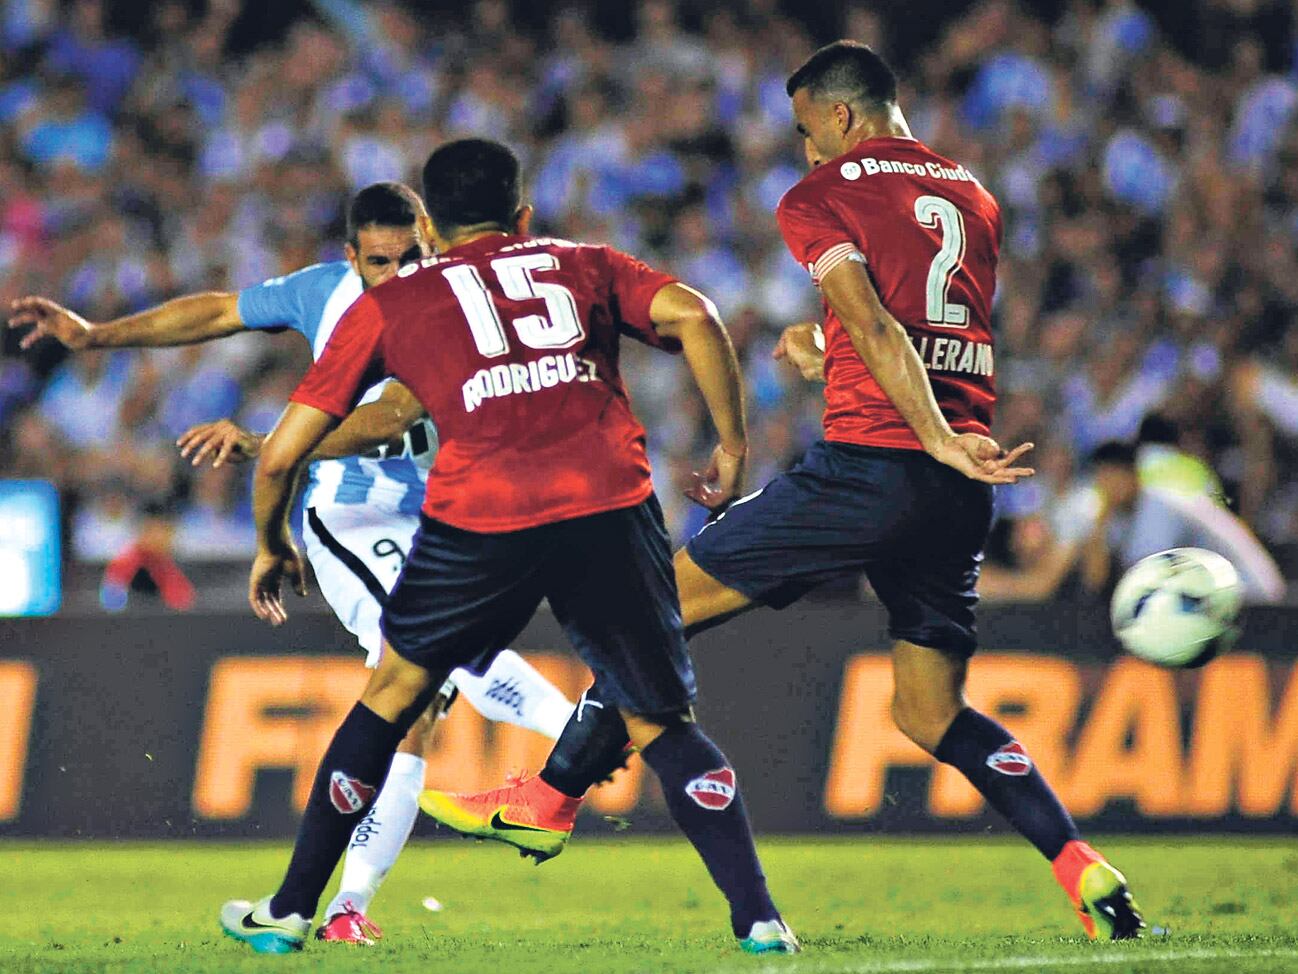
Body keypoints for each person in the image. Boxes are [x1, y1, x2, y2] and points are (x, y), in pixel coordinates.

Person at [423, 41, 1145, 942]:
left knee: (652, 607)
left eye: (807, 131)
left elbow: (877, 320)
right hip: (956, 491)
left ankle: (549, 796)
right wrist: (838, 359)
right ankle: (1079, 863)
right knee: (929, 711)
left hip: (874, 469)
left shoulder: (821, 195)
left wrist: (922, 430)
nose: (804, 151)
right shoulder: (973, 192)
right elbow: (914, 328)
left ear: (841, 116)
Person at [218, 137, 798, 956]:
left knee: (392, 695)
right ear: (522, 214)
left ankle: (286, 913)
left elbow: (281, 454)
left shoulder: (396, 303)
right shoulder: (585, 262)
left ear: (433, 228)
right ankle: (759, 918)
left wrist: (273, 543)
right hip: (610, 504)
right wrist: (733, 446)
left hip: (481, 514)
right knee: (661, 717)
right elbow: (697, 316)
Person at [7, 181, 580, 945]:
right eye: (380, 261)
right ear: (352, 258)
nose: (399, 272)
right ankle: (587, 738)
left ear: (432, 243)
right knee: (432, 651)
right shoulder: (326, 294)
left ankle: (346, 910)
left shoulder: (461, 298)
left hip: (442, 513)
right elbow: (215, 310)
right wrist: (96, 336)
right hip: (352, 512)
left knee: (410, 708)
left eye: (414, 255)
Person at [981, 440, 1285, 603]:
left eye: (1114, 477)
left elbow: (1143, 580)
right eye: (1102, 478)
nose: (1107, 487)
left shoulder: (1161, 504)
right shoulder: (1114, 514)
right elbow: (1095, 582)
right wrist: (1099, 526)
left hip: (1253, 595)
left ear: (1133, 476)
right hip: (1218, 593)